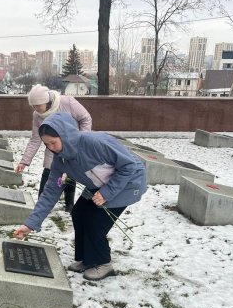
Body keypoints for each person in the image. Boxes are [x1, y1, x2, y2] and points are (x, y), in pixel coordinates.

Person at [13, 112, 147, 281]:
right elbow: (50, 192)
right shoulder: (60, 160)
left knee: (94, 221)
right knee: (78, 213)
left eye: (53, 142)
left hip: (128, 183)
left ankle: (104, 263)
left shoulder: (95, 143)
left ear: (65, 135)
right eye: (47, 145)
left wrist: (107, 193)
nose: (51, 148)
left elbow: (129, 165)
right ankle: (87, 259)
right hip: (99, 185)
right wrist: (30, 224)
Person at [15, 84, 92, 213]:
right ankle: (41, 206)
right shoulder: (37, 115)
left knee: (70, 174)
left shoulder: (67, 102)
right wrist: (24, 161)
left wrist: (81, 140)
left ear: (47, 101)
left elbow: (85, 119)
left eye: (38, 105)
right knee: (48, 175)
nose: (35, 109)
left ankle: (69, 204)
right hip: (53, 150)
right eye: (33, 106)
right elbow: (35, 138)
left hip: (73, 146)